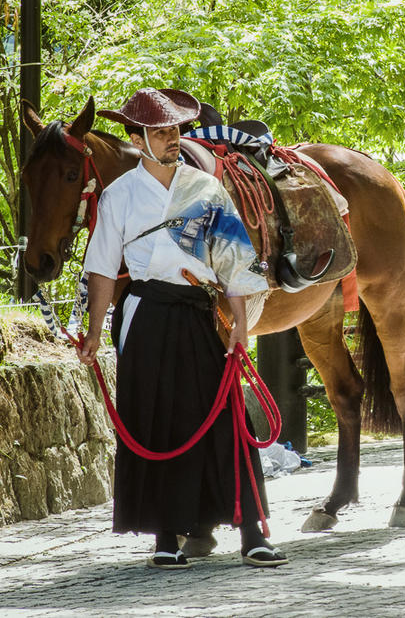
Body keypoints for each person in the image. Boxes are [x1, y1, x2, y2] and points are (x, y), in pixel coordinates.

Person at [77, 88, 288, 569]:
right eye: (160, 132)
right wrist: (93, 333)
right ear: (138, 138)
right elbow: (104, 269)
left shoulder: (206, 189)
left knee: (224, 421)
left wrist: (239, 322)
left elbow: (232, 261)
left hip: (197, 314)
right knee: (154, 422)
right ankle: (166, 537)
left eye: (175, 130)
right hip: (147, 315)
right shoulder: (119, 195)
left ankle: (252, 531)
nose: (172, 139)